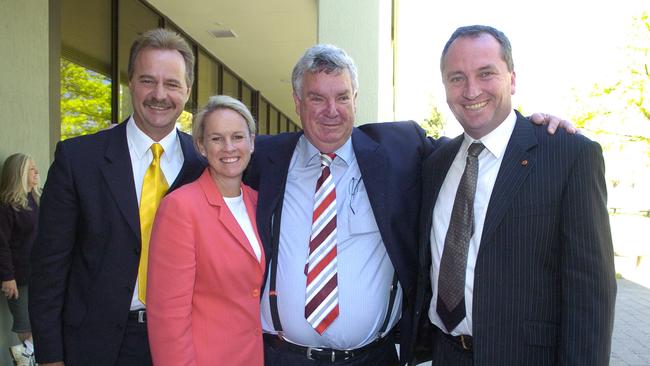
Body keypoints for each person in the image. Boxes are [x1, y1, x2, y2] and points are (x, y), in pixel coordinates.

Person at [244, 44, 571, 366]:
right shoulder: (262, 158)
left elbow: (477, 147)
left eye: (343, 97)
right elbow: (200, 162)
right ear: (298, 101)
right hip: (281, 357)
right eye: (317, 98)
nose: (332, 110)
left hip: (373, 358)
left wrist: (528, 129)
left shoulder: (399, 150)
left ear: (356, 100)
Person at [413, 25, 616, 366]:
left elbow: (591, 296)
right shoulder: (435, 163)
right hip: (445, 355)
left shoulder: (567, 156)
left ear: (512, 78)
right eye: (457, 77)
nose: (471, 89)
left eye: (486, 73)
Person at [28, 28, 205, 366]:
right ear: (130, 82)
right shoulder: (78, 160)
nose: (159, 94)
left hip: (182, 343)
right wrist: (50, 357)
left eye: (172, 84)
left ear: (187, 91)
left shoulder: (203, 168)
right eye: (147, 80)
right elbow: (48, 270)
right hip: (93, 346)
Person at [147, 95, 265, 366]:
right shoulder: (180, 208)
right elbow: (168, 316)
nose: (228, 147)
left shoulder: (259, 202)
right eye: (216, 139)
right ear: (200, 145)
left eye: (237, 136)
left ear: (252, 142)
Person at [0, 153, 40, 366]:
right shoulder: (7, 207)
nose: (37, 173)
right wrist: (7, 277)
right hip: (19, 277)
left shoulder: (35, 200)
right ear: (19, 173)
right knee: (25, 326)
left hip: (39, 275)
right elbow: (2, 245)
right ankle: (25, 360)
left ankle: (27, 357)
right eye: (31, 169)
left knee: (41, 321)